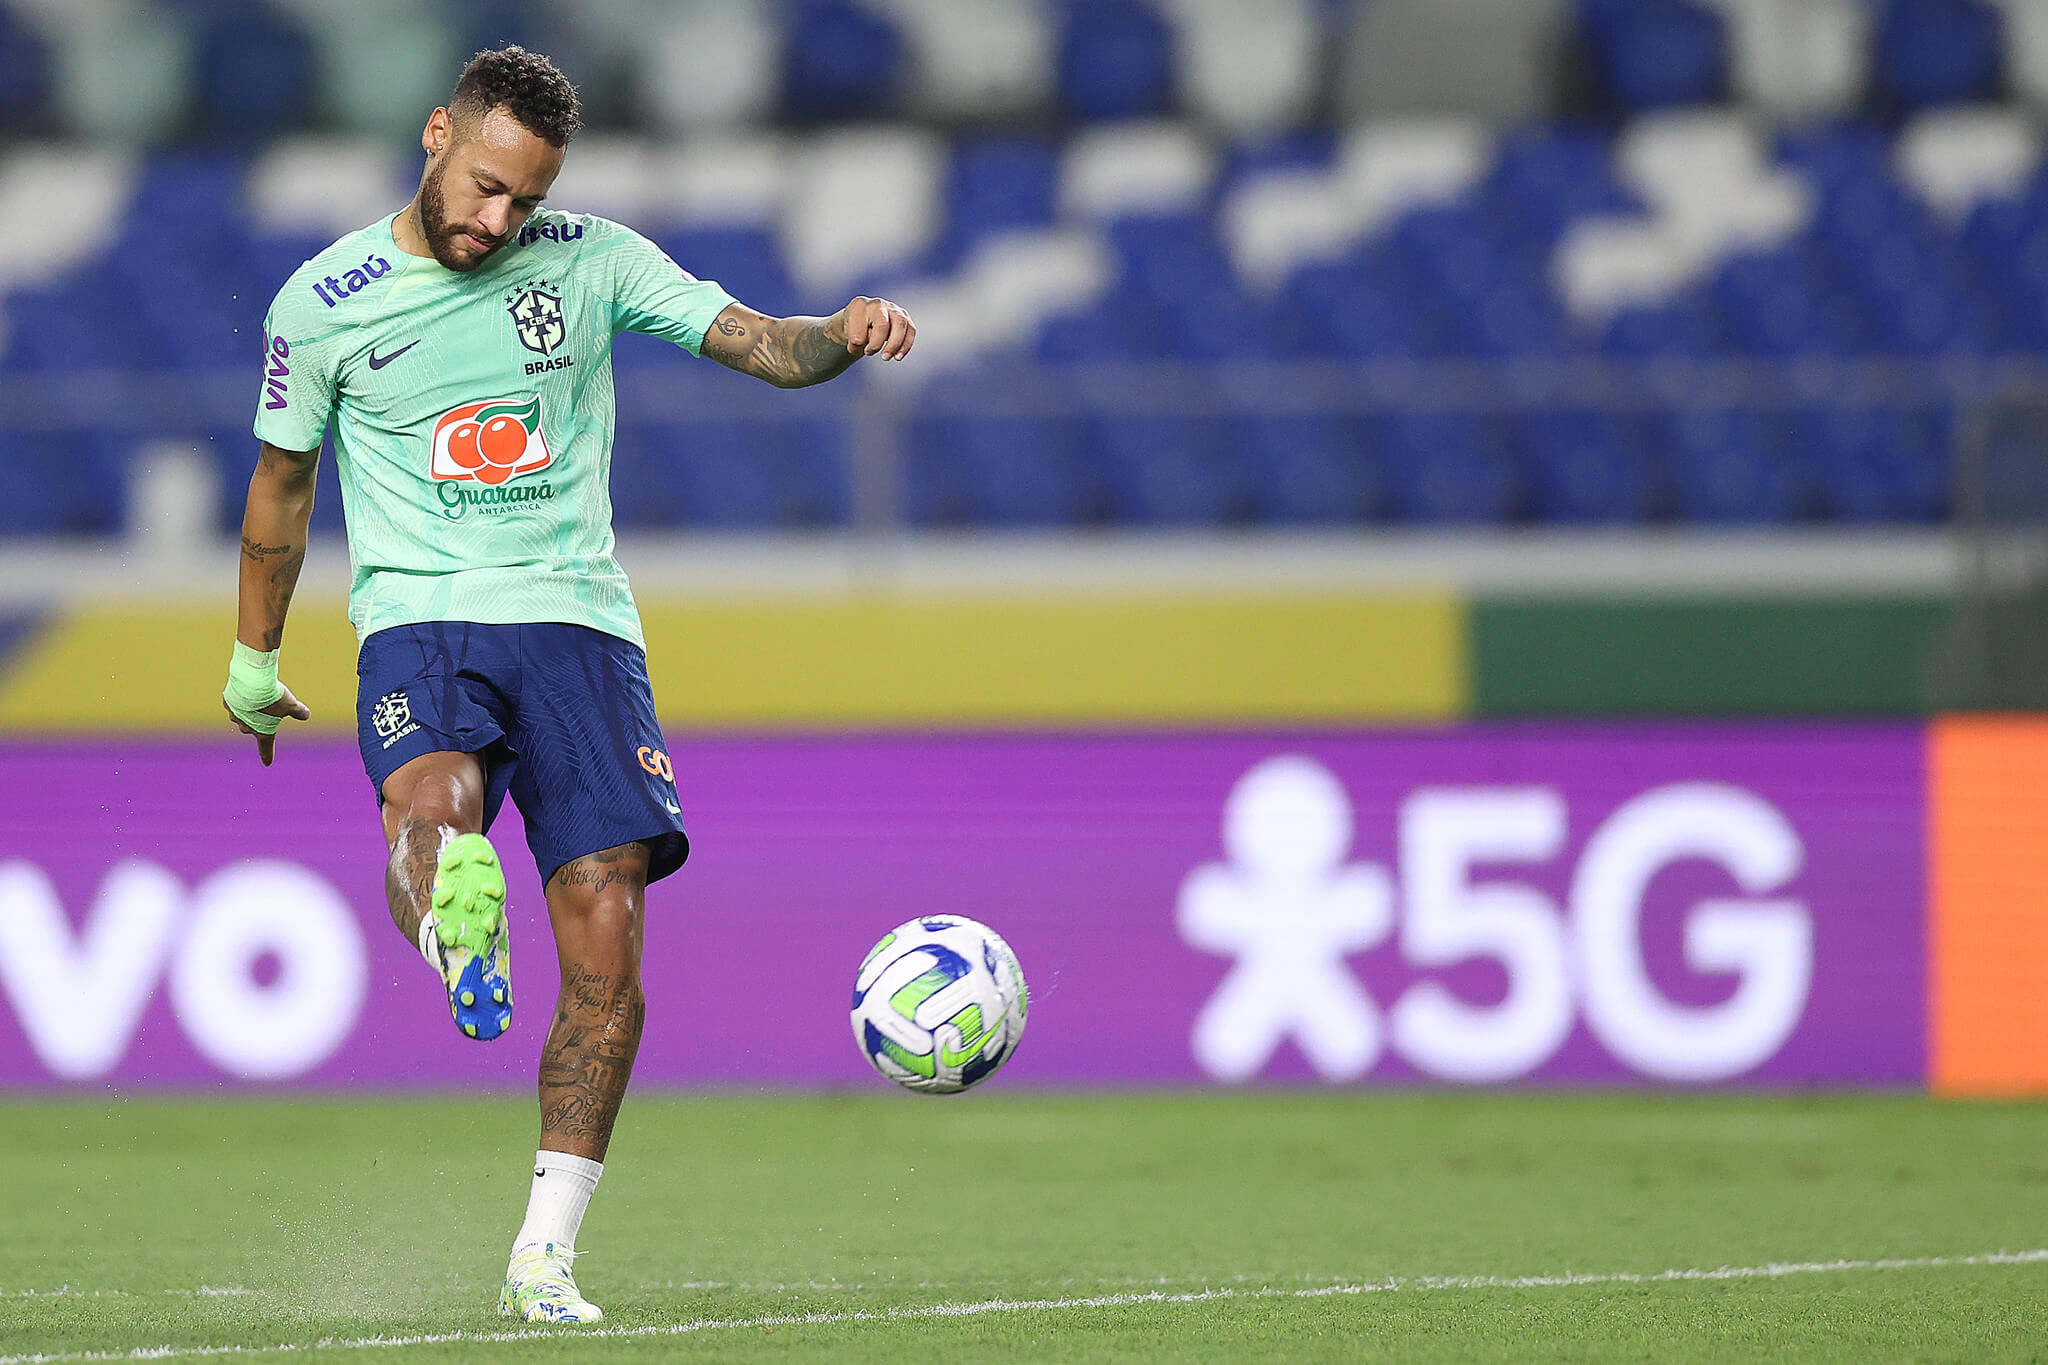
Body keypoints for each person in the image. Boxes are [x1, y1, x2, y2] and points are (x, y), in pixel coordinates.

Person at [220, 46, 915, 1325]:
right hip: (421, 617)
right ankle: (449, 921)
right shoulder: (323, 301)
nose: (498, 221)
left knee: (606, 937)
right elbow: (280, 486)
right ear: (436, 136)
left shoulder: (594, 258)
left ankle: (542, 1255)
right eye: (484, 187)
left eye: (522, 203)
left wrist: (840, 333)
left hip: (579, 627)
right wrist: (254, 660)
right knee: (431, 803)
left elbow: (760, 344)